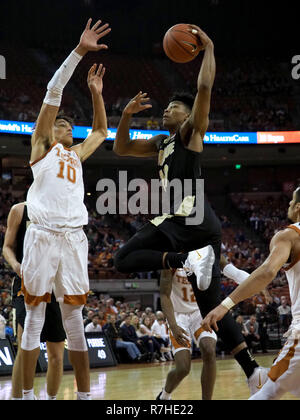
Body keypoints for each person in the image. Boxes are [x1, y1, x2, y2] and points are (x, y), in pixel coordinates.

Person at [113, 25, 268, 395]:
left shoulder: (189, 134)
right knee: (121, 259)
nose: (167, 109)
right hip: (175, 226)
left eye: (174, 107)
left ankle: (251, 372)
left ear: (186, 117)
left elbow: (203, 89)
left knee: (211, 303)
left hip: (196, 218)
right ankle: (183, 259)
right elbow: (120, 148)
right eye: (166, 106)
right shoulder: (159, 143)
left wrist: (210, 48)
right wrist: (127, 114)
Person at [19, 18, 111, 400]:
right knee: (34, 319)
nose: (64, 125)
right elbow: (54, 89)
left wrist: (95, 92)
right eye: (60, 122)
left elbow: (101, 132)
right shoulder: (41, 147)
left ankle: (87, 397)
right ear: (49, 129)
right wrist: (78, 52)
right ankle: (22, 396)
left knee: (75, 318)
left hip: (74, 237)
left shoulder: (76, 155)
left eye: (67, 125)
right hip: (42, 235)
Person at [202, 187, 300, 400]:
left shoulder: (289, 235)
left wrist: (224, 305)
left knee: (268, 392)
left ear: (299, 207)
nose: (289, 205)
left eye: (292, 201)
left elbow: (267, 271)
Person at [2, 202, 66, 400]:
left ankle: (51, 398)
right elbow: (7, 247)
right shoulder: (20, 210)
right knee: (26, 347)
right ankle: (17, 397)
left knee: (56, 355)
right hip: (26, 283)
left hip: (57, 285)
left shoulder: (66, 211)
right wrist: (15, 264)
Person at [158, 268, 217, 400]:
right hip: (178, 316)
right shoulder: (170, 260)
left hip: (199, 312)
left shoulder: (206, 253)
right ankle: (164, 396)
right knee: (183, 368)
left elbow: (226, 268)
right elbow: (164, 295)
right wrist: (173, 326)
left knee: (209, 350)